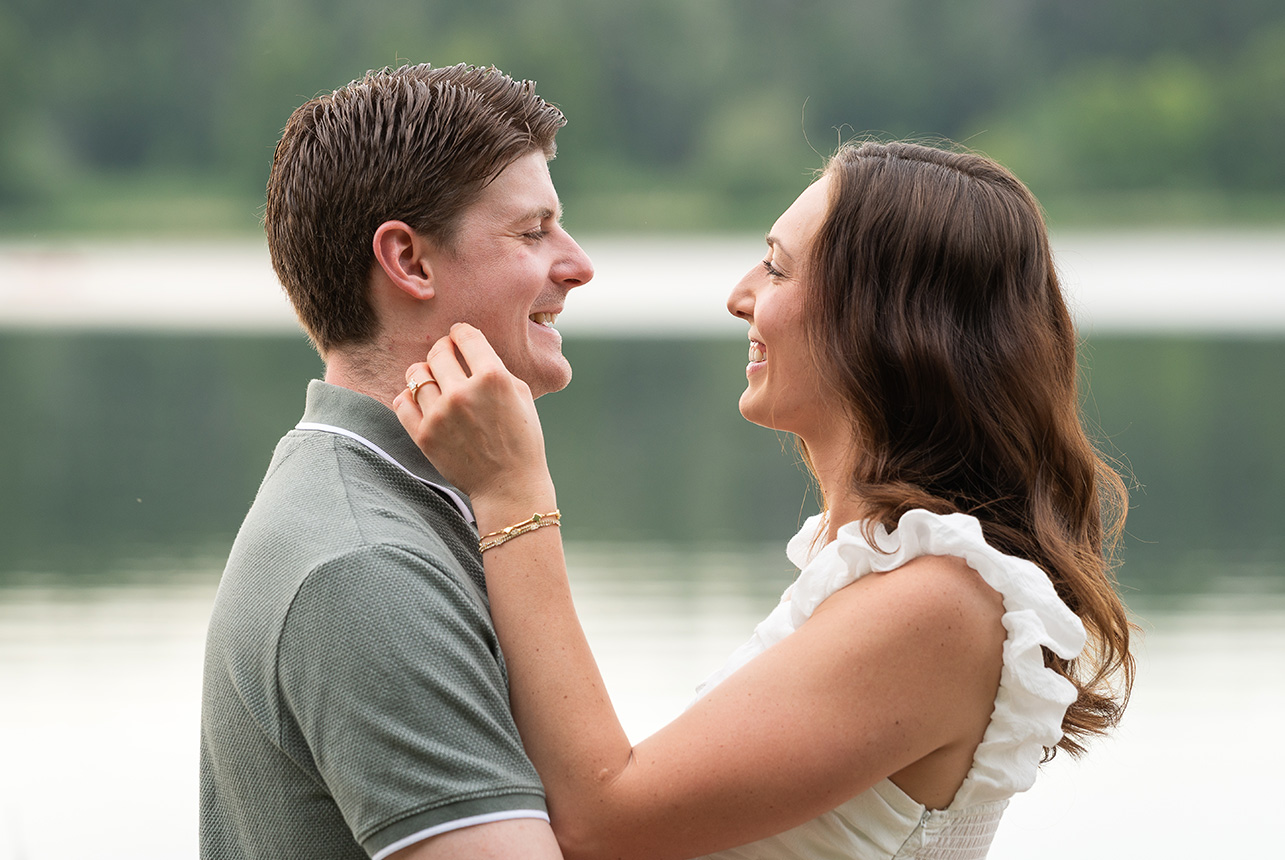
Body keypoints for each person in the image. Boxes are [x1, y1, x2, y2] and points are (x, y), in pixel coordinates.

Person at [393, 140, 1135, 859]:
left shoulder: (937, 605)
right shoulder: (876, 576)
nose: (738, 296)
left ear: (885, 319)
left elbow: (600, 821)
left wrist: (511, 490)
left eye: (776, 269)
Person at [199, 63, 592, 860]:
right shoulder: (364, 568)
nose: (578, 264)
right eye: (531, 231)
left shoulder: (381, 504)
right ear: (409, 262)